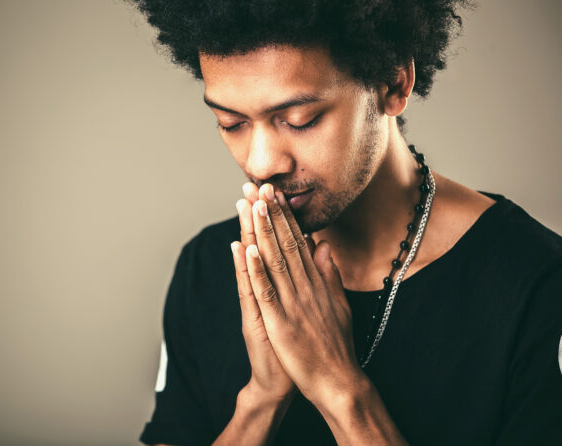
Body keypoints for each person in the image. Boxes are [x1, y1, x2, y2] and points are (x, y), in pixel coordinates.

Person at [130, 1, 562, 444]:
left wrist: (341, 391)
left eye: (301, 120)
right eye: (231, 122)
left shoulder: (537, 285)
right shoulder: (205, 266)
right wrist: (261, 399)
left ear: (393, 83)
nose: (260, 163)